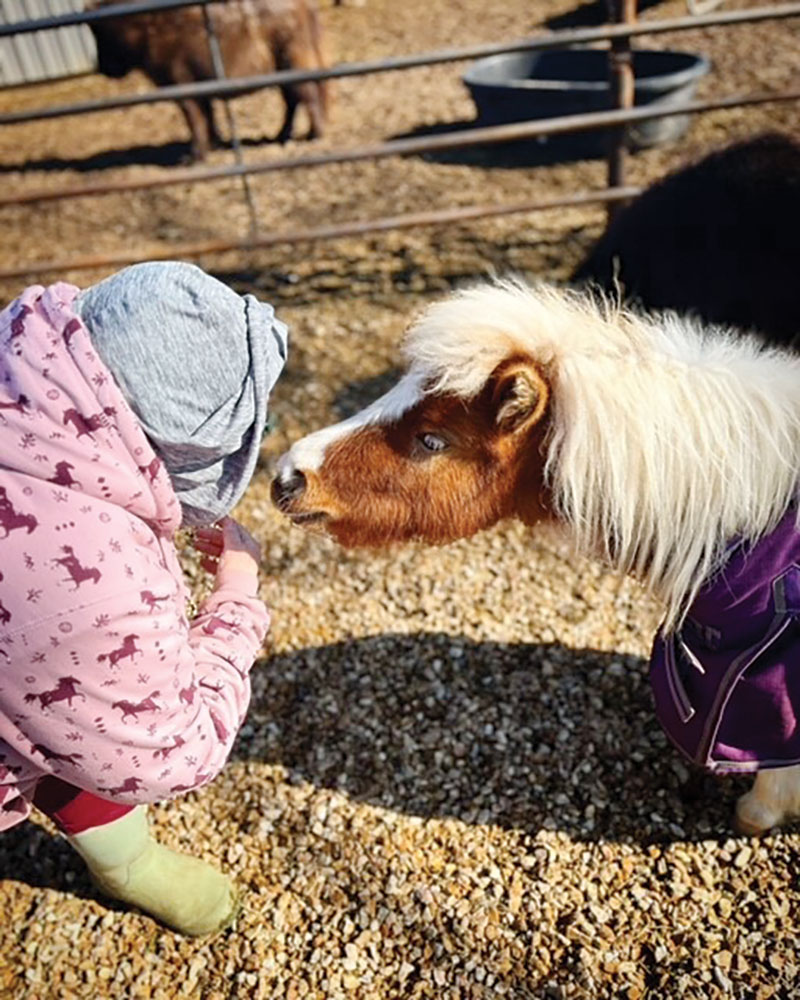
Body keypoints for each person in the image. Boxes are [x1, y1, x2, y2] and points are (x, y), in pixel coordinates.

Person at [0, 261, 287, 935]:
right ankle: (130, 865)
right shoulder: (91, 587)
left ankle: (129, 862)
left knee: (50, 707)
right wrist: (237, 600)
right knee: (77, 716)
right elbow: (171, 751)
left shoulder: (20, 356)